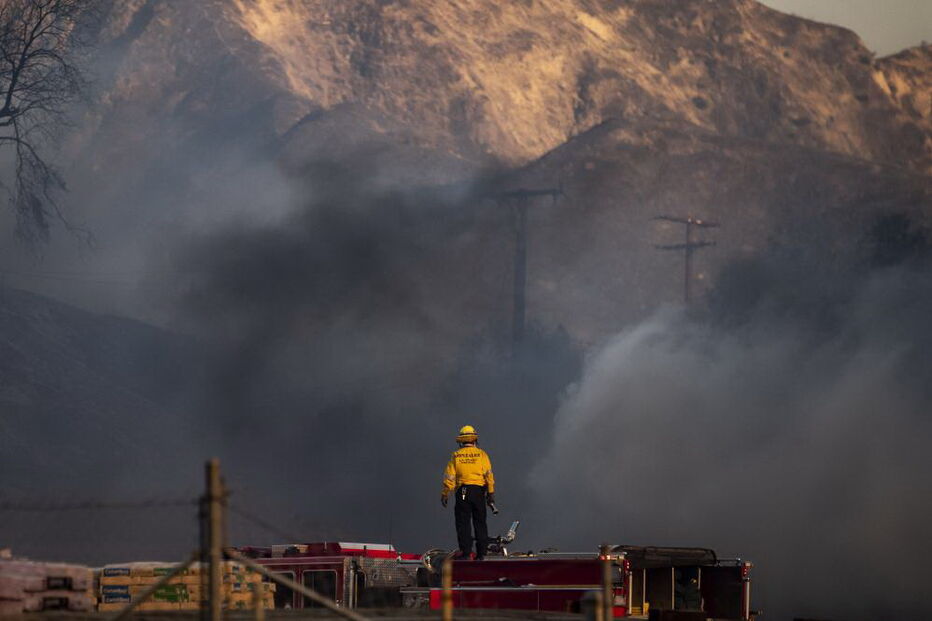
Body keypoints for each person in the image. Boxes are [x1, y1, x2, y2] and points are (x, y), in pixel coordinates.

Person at [440, 425, 495, 560]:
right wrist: (491, 493)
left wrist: (445, 493)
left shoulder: (456, 455)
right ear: (475, 440)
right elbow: (489, 475)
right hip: (478, 491)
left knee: (463, 521)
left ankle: (466, 553)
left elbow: (450, 477)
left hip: (463, 491)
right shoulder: (482, 454)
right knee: (480, 522)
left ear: (461, 441)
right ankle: (482, 554)